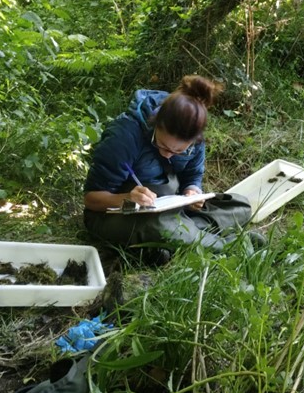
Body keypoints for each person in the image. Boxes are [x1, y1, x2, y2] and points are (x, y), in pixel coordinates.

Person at [83, 75, 255, 261]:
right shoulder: (124, 137)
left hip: (168, 207)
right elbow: (91, 200)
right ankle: (227, 246)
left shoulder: (194, 138)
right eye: (162, 146)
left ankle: (176, 237)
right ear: (155, 123)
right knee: (157, 226)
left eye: (179, 151)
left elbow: (193, 175)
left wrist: (192, 192)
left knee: (239, 205)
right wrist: (127, 198)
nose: (168, 155)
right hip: (117, 215)